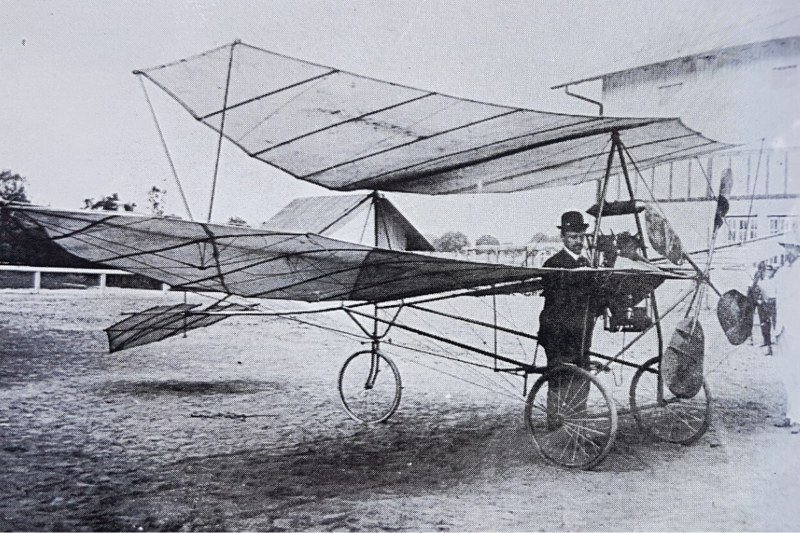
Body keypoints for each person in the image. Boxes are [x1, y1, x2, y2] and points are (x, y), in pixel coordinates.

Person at [538, 211, 606, 428]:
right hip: (557, 331)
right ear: (563, 238)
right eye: (573, 237)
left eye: (581, 237)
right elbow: (558, 301)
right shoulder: (553, 263)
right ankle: (555, 425)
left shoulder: (587, 263)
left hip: (581, 330)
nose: (578, 241)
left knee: (581, 375)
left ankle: (576, 423)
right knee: (559, 377)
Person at [771, 236, 800, 429]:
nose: (787, 252)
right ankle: (791, 415)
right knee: (788, 373)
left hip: (797, 326)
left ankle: (798, 418)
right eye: (786, 247)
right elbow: (771, 293)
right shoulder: (782, 271)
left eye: (791, 248)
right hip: (782, 327)